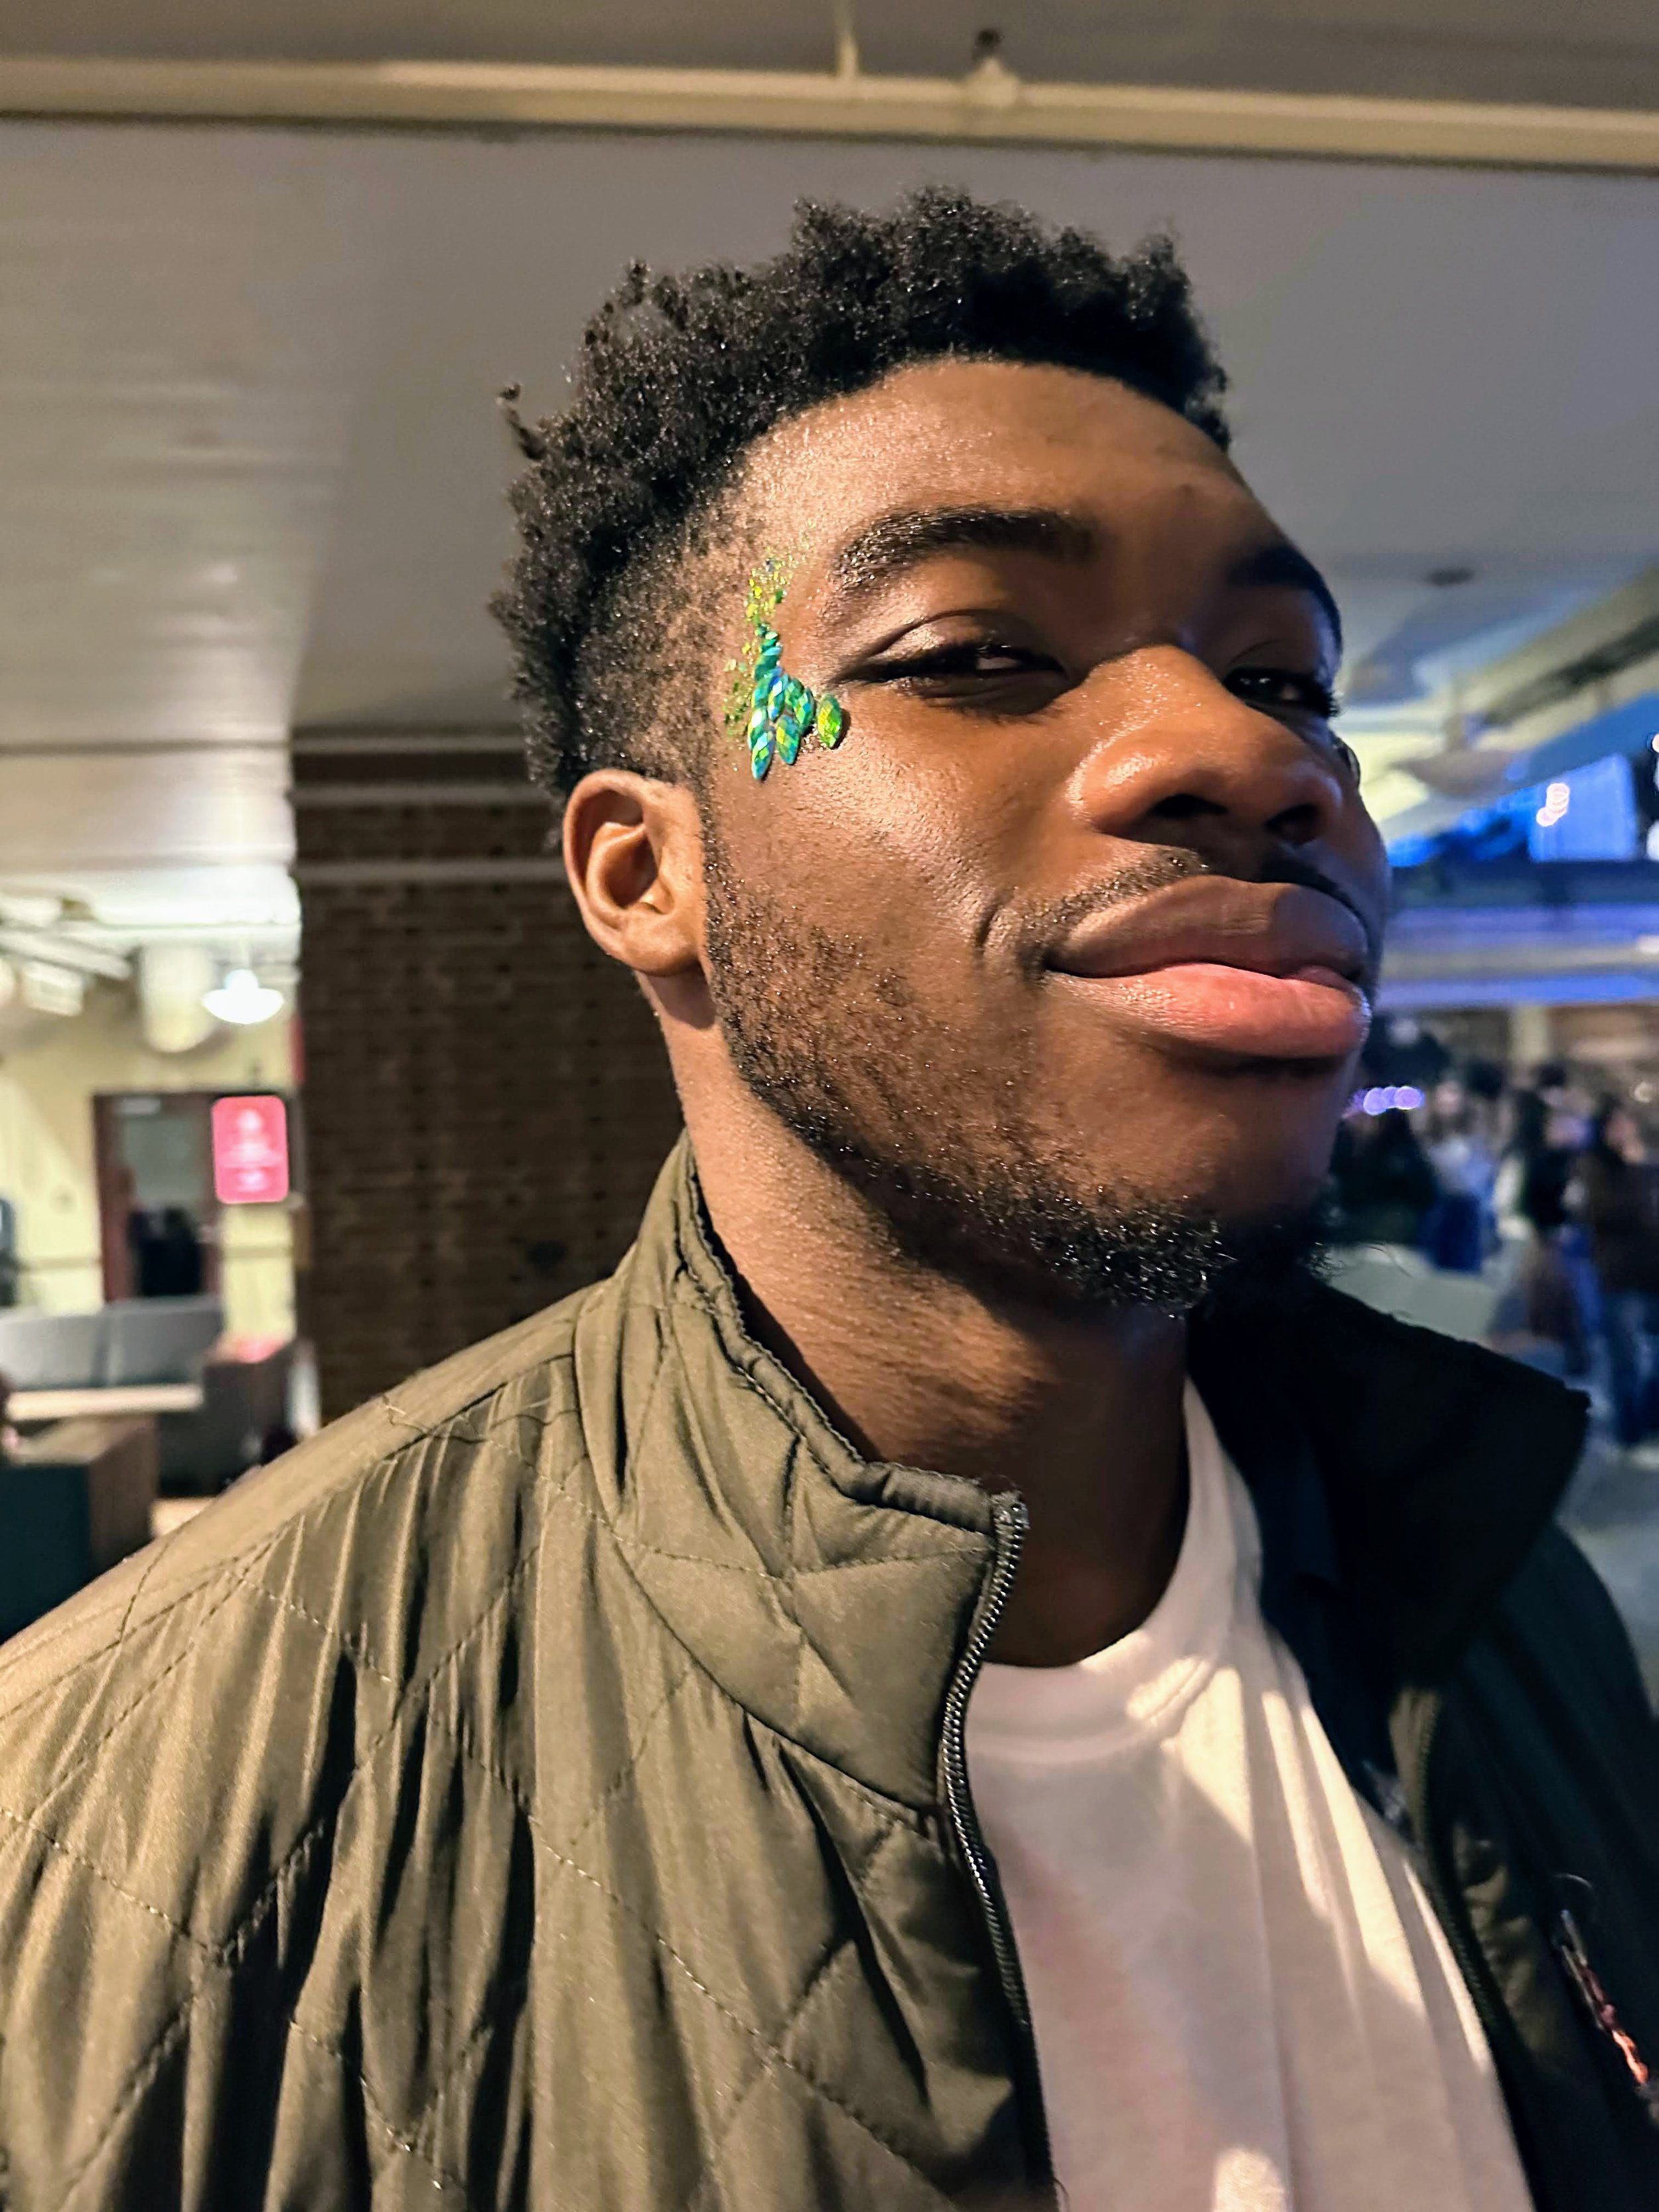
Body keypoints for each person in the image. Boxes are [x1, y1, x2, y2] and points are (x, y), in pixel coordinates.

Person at [0, 192, 1654, 2212]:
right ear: (643, 875)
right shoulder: (118, 1837)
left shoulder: (1496, 1587)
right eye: (973, 652)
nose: (1243, 750)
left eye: (1289, 678)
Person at [1575, 1100, 1659, 1446]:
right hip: (1620, 1275)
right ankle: (1629, 1431)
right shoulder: (1595, 1169)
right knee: (1625, 1359)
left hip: (1653, 1272)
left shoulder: (1649, 1168)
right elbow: (1615, 1213)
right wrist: (1636, 1171)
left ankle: (1649, 1420)